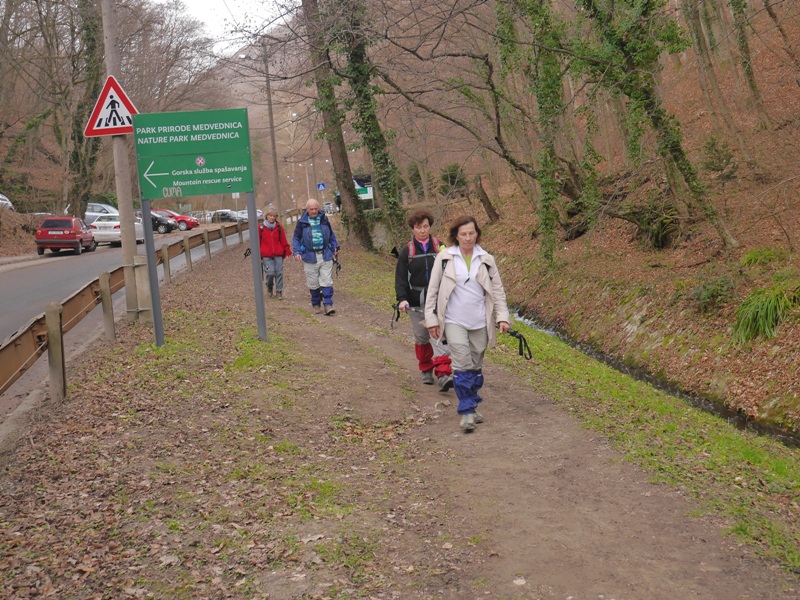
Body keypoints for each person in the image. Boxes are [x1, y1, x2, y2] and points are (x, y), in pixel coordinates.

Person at [424, 215, 510, 433]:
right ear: (456, 236)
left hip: (480, 321)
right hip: (454, 320)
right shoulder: (445, 258)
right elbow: (433, 290)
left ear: (477, 234)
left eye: (471, 233)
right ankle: (466, 411)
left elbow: (497, 290)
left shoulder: (486, 259)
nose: (468, 237)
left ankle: (472, 402)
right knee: (462, 363)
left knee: (475, 367)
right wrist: (432, 319)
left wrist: (502, 317)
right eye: (463, 234)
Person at [394, 209, 453, 391]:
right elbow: (400, 278)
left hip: (438, 301)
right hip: (416, 302)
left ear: (430, 227)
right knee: (422, 337)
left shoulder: (440, 247)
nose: (422, 230)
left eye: (425, 226)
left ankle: (443, 373)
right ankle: (426, 369)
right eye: (419, 227)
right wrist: (402, 299)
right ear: (413, 229)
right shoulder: (407, 251)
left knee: (439, 335)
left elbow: (451, 272)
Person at [293, 199, 340, 315]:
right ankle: (316, 303)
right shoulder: (302, 222)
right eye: (311, 209)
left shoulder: (324, 219)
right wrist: (297, 252)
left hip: (325, 254)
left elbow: (331, 235)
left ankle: (328, 304)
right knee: (313, 282)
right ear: (307, 209)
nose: (314, 211)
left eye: (315, 209)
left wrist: (335, 246)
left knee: (326, 280)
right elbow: (296, 238)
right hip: (310, 256)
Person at [258, 208, 292, 299]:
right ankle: (269, 286)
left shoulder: (279, 227)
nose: (272, 218)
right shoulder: (261, 228)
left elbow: (283, 240)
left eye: (274, 216)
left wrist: (287, 250)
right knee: (270, 273)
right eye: (270, 216)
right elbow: (257, 241)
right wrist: (258, 254)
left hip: (278, 254)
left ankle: (279, 292)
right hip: (266, 255)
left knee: (279, 273)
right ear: (266, 216)